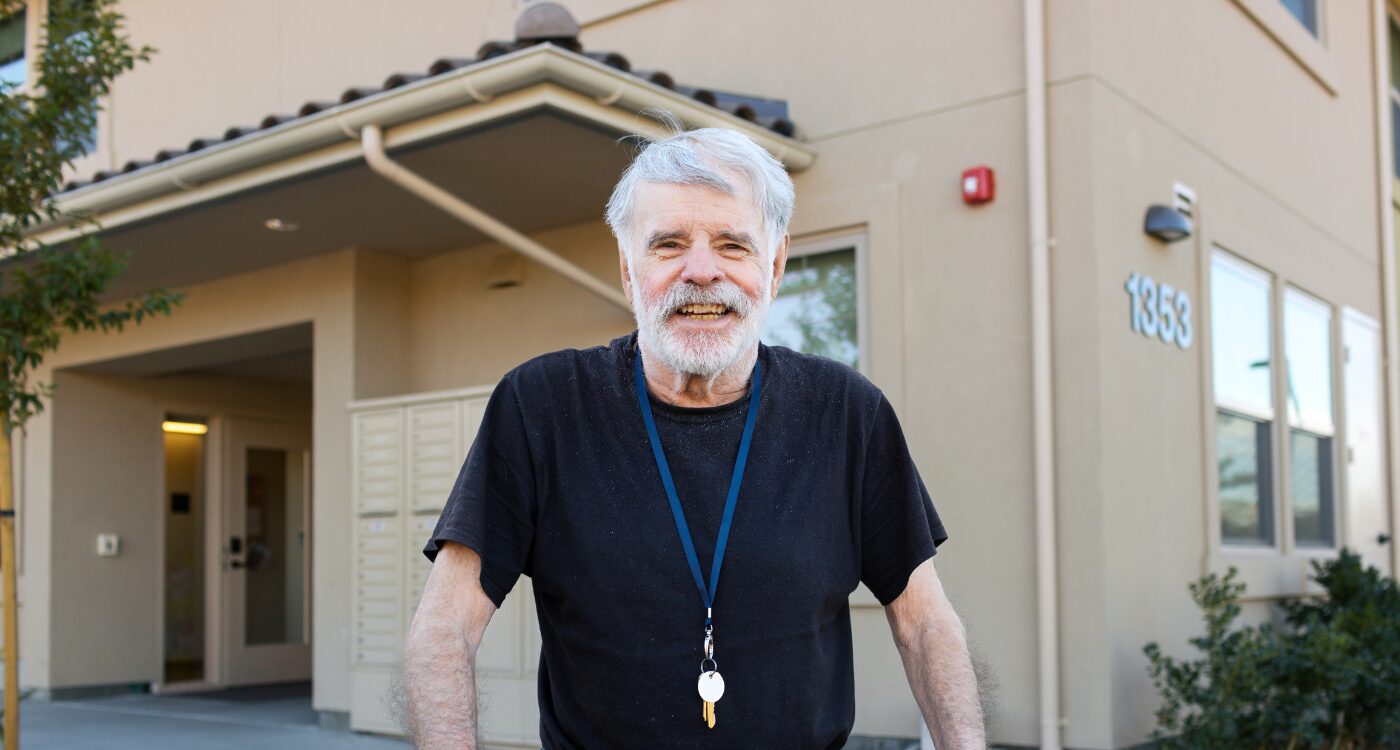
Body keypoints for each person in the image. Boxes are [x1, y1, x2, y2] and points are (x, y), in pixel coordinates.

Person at [403, 126, 985, 749]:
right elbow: (444, 630)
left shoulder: (847, 413)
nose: (701, 272)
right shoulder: (540, 406)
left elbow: (926, 625)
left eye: (733, 244)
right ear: (629, 270)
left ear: (776, 264)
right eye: (669, 244)